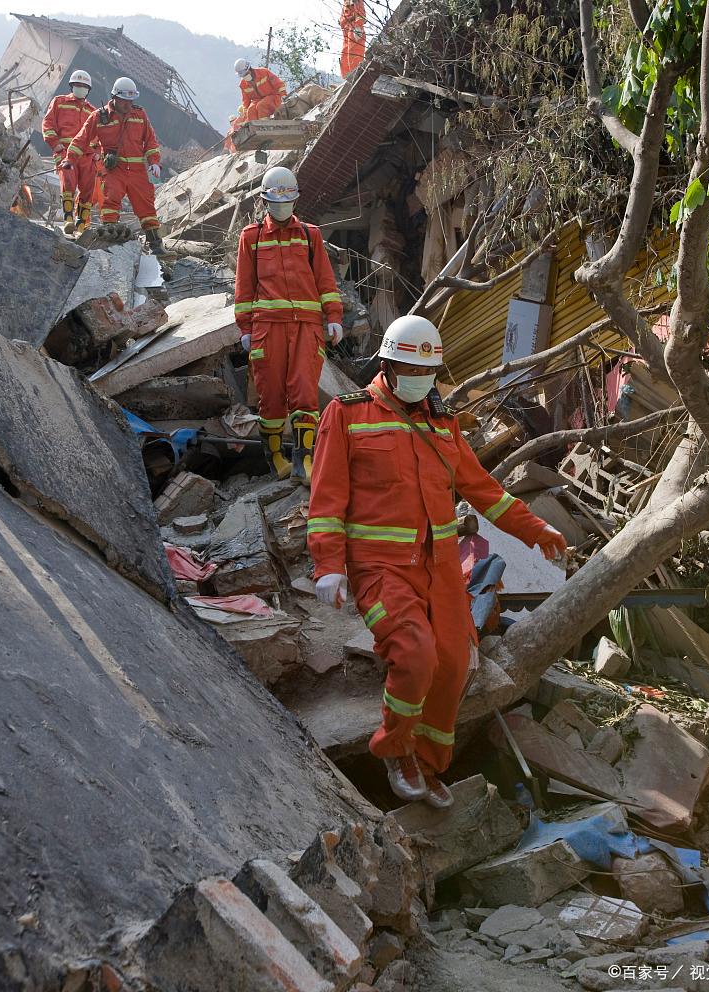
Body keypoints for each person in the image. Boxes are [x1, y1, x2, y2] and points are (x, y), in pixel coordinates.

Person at [307, 315, 567, 809]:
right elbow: (326, 499)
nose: (421, 379)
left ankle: (427, 761)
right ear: (386, 364)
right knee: (415, 654)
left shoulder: (443, 425)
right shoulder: (347, 415)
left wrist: (537, 531)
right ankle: (395, 748)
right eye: (410, 368)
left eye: (429, 371)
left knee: (452, 664)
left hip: (443, 569)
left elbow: (484, 492)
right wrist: (329, 565)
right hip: (380, 567)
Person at [234, 166, 343, 486]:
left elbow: (325, 279)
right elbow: (244, 288)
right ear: (264, 201)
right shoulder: (251, 237)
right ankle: (276, 458)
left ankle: (304, 460)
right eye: (275, 199)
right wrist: (245, 328)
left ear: (295, 200)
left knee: (305, 392)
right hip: (268, 329)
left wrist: (334, 317)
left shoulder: (311, 235)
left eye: (287, 198)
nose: (281, 205)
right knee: (271, 397)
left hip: (307, 327)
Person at [67, 77, 165, 254]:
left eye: (131, 101)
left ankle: (156, 245)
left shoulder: (139, 115)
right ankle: (110, 243)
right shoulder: (99, 116)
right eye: (124, 101)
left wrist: (154, 162)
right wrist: (70, 159)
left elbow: (150, 141)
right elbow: (81, 140)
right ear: (114, 97)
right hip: (114, 170)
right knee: (110, 202)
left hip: (137, 171)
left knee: (146, 207)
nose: (128, 105)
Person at [42, 69, 97, 235]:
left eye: (83, 86)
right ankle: (68, 220)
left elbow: (99, 135)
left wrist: (97, 152)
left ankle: (81, 226)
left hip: (87, 156)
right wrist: (56, 144)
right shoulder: (59, 102)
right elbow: (48, 124)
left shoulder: (92, 111)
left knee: (88, 190)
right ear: (72, 86)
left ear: (88, 89)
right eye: (77, 85)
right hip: (65, 152)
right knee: (68, 183)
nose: (80, 88)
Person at [234, 58, 286, 122]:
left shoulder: (264, 72)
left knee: (261, 105)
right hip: (257, 101)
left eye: (246, 74)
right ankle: (255, 129)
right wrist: (245, 114)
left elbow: (278, 84)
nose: (245, 76)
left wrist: (283, 95)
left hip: (274, 97)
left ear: (249, 69)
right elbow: (246, 101)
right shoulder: (243, 84)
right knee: (251, 110)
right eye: (243, 75)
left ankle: (265, 127)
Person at [339, 0, 366, 78]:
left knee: (355, 55)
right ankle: (347, 79)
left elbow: (360, 12)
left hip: (354, 28)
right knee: (345, 57)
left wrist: (358, 26)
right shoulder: (346, 0)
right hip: (347, 32)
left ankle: (356, 77)